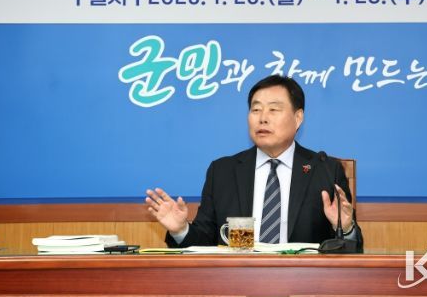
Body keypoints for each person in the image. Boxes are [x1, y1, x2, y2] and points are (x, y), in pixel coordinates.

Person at [146, 75, 362, 248]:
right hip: (239, 280)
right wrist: (181, 230)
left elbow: (351, 250)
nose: (262, 118)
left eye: (274, 109)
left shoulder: (325, 170)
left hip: (304, 281)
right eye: (256, 109)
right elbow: (206, 242)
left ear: (298, 118)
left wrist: (345, 228)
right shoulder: (223, 171)